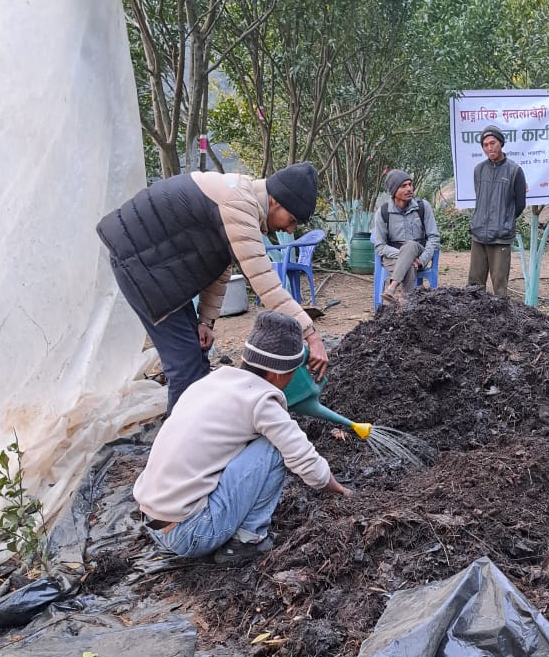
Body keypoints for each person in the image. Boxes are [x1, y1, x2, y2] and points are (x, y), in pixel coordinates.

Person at [97, 163, 329, 414]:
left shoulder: (242, 199)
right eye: (292, 219)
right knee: (185, 367)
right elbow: (265, 282)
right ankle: (182, 445)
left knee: (196, 356)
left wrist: (206, 322)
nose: (290, 229)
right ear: (274, 201)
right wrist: (311, 335)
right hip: (140, 263)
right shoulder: (239, 202)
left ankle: (200, 428)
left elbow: (219, 265)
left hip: (162, 269)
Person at [133, 311, 351, 566]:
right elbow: (306, 461)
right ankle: (247, 541)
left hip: (153, 522)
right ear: (280, 374)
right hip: (192, 534)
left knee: (243, 444)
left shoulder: (212, 382)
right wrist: (340, 490)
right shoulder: (262, 401)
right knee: (273, 448)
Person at [468, 125, 527, 298]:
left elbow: (520, 204)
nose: (489, 147)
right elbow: (479, 198)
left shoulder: (515, 171)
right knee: (474, 285)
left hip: (501, 237)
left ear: (500, 143)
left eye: (492, 143)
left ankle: (499, 321)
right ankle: (473, 319)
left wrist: (504, 220)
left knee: (499, 286)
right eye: (485, 145)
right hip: (478, 234)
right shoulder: (479, 170)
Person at [373, 169, 440, 308]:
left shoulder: (422, 207)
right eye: (403, 186)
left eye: (410, 184)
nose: (409, 189)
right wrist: (405, 256)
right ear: (393, 190)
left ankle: (392, 287)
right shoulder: (383, 212)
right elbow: (380, 245)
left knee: (410, 245)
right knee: (408, 263)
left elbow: (433, 238)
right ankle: (406, 303)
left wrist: (422, 260)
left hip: (419, 254)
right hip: (392, 257)